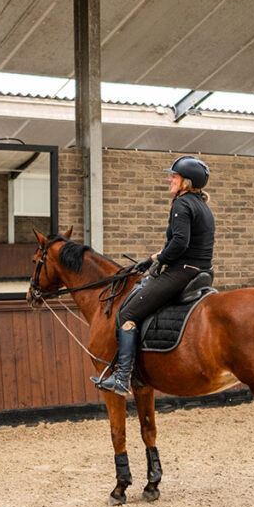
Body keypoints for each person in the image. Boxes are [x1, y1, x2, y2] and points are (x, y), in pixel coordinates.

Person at [96, 155, 215, 396]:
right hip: (199, 270)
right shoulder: (201, 204)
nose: (170, 179)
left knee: (128, 313)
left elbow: (180, 243)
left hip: (181, 272)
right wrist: (151, 259)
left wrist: (162, 260)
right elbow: (182, 243)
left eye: (174, 176)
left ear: (186, 182)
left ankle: (122, 378)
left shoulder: (181, 204)